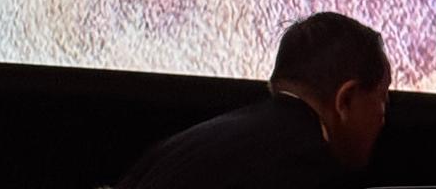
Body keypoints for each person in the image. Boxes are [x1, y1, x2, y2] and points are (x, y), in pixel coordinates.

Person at [115, 11, 390, 188]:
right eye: (382, 99)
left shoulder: (173, 148)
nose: (382, 118)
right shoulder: (311, 172)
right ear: (345, 99)